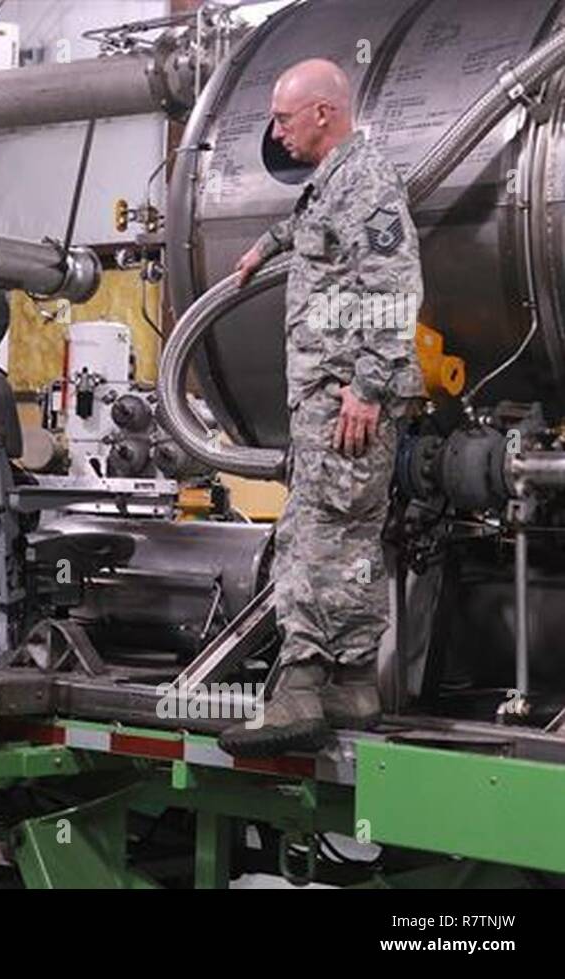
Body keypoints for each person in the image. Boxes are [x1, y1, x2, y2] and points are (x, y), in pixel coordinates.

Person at [220, 59, 424, 756]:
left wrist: (367, 387)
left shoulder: (363, 182)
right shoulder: (336, 183)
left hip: (344, 398)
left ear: (323, 115)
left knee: (313, 534)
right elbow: (324, 236)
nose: (276, 133)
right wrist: (266, 245)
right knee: (352, 538)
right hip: (339, 395)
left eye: (283, 118)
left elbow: (396, 287)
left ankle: (300, 687)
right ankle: (353, 681)